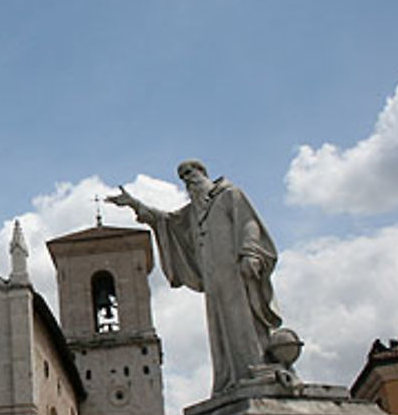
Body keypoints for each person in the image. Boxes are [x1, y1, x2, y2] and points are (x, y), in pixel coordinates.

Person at [106, 160, 282, 395]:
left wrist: (250, 253)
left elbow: (249, 222)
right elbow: (164, 220)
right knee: (220, 326)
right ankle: (231, 376)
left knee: (243, 318)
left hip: (236, 271)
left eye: (190, 172)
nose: (187, 178)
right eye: (182, 176)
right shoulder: (193, 214)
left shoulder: (229, 195)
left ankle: (257, 367)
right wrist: (134, 204)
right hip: (213, 279)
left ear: (203, 173)